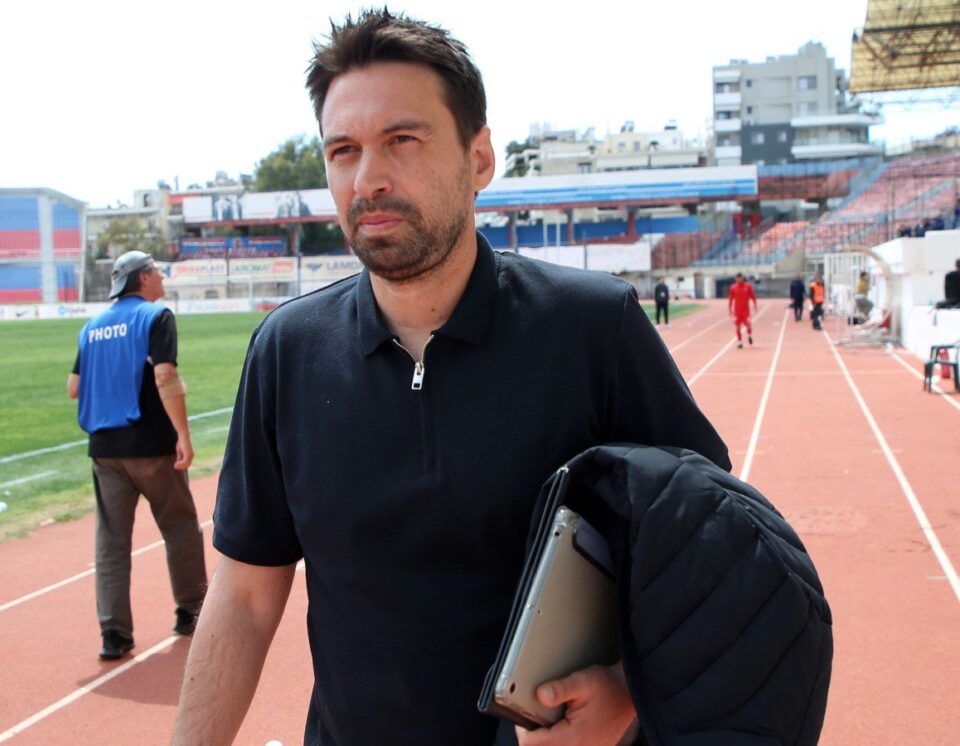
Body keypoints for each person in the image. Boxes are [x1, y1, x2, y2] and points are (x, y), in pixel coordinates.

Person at [172, 10, 729, 746]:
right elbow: (245, 594)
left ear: (480, 158)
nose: (368, 178)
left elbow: (708, 544)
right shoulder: (286, 351)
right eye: (343, 150)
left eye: (402, 139)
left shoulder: (595, 328)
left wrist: (628, 688)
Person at [67, 250, 207, 660]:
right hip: (152, 445)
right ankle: (190, 612)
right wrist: (183, 434)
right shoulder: (156, 316)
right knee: (180, 528)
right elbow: (165, 373)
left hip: (104, 450)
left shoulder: (91, 327)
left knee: (111, 542)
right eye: (157, 271)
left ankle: (114, 633)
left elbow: (74, 388)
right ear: (143, 277)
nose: (161, 278)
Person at [728, 272, 758, 349]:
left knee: (748, 325)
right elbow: (730, 299)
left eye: (740, 278)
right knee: (738, 326)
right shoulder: (733, 287)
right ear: (735, 279)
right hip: (737, 311)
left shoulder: (748, 286)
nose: (738, 280)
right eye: (737, 278)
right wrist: (730, 309)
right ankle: (739, 342)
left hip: (746, 311)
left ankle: (749, 335)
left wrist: (755, 304)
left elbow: (753, 296)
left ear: (742, 278)